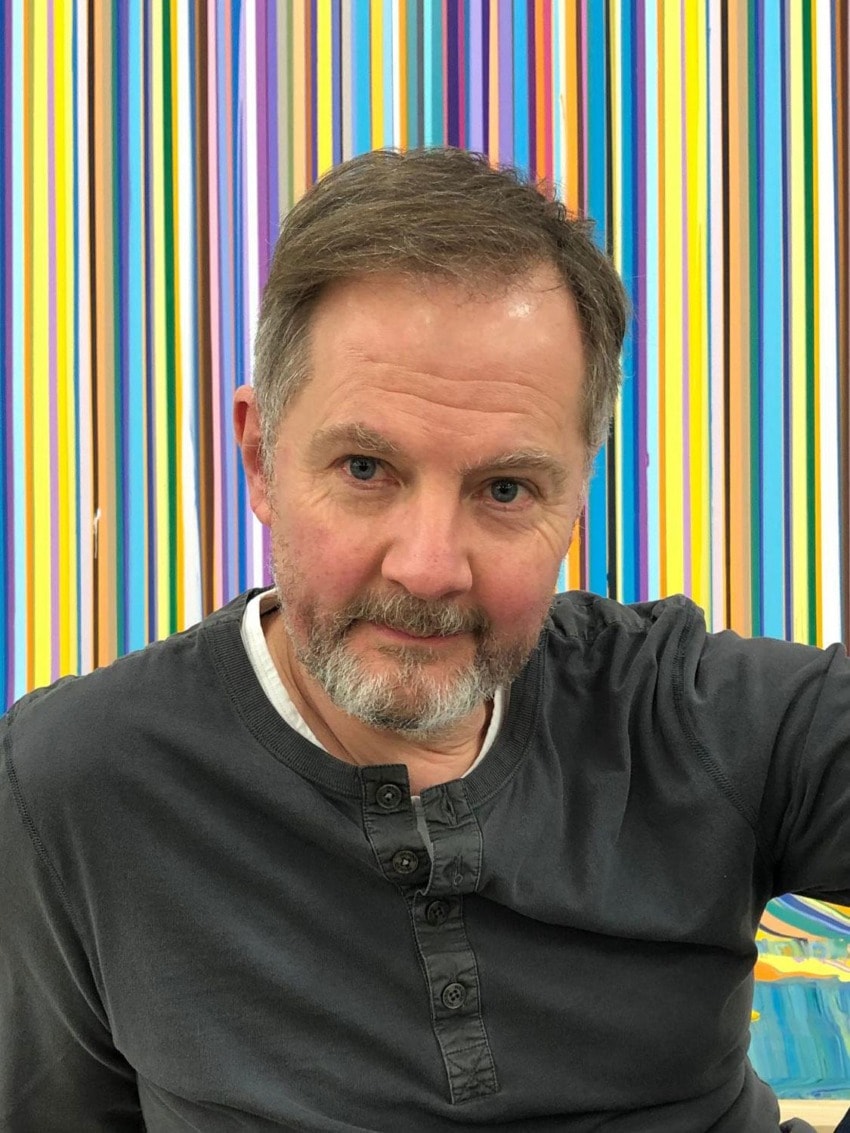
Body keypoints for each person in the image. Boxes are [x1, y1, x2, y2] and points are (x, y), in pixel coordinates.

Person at [1, 147, 848, 1133]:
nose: (429, 567)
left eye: (505, 488)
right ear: (262, 459)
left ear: (577, 495)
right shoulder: (73, 779)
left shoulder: (703, 717)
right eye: (366, 468)